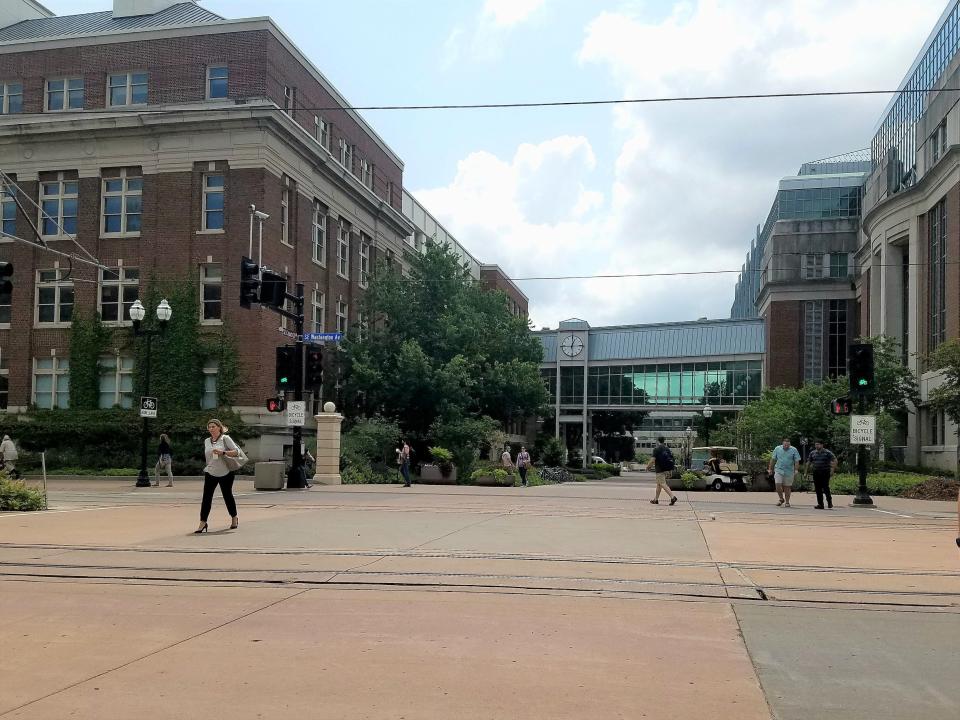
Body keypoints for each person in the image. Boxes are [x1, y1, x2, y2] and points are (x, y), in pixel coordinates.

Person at [196, 419, 240, 534]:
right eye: (209, 427)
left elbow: (236, 452)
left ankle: (234, 517)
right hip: (211, 472)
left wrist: (223, 452)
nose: (211, 429)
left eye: (213, 426)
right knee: (206, 497)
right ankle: (203, 522)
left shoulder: (225, 438)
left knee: (227, 495)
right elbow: (208, 457)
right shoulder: (206, 441)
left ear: (219, 428)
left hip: (226, 472)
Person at [768, 437, 801, 508]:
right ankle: (781, 498)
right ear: (782, 444)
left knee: (787, 487)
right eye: (785, 445)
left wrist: (796, 470)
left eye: (788, 445)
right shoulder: (777, 448)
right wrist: (770, 469)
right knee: (777, 484)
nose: (786, 446)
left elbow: (796, 461)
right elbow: (773, 459)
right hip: (779, 469)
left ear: (790, 444)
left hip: (789, 471)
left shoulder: (794, 450)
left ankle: (787, 502)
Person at [646, 436, 678, 506]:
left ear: (658, 441)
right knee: (659, 484)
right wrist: (670, 471)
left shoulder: (656, 449)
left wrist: (648, 467)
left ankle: (673, 497)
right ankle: (656, 500)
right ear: (664, 441)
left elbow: (652, 460)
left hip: (659, 469)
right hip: (666, 469)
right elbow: (670, 459)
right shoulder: (667, 449)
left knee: (663, 484)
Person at [807, 440, 837, 509]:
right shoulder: (813, 453)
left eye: (818, 444)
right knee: (818, 489)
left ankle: (829, 502)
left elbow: (835, 460)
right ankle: (820, 504)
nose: (817, 446)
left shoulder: (827, 452)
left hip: (825, 471)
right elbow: (809, 462)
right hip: (816, 472)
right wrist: (806, 472)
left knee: (826, 487)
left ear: (822, 445)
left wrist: (832, 470)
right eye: (816, 444)